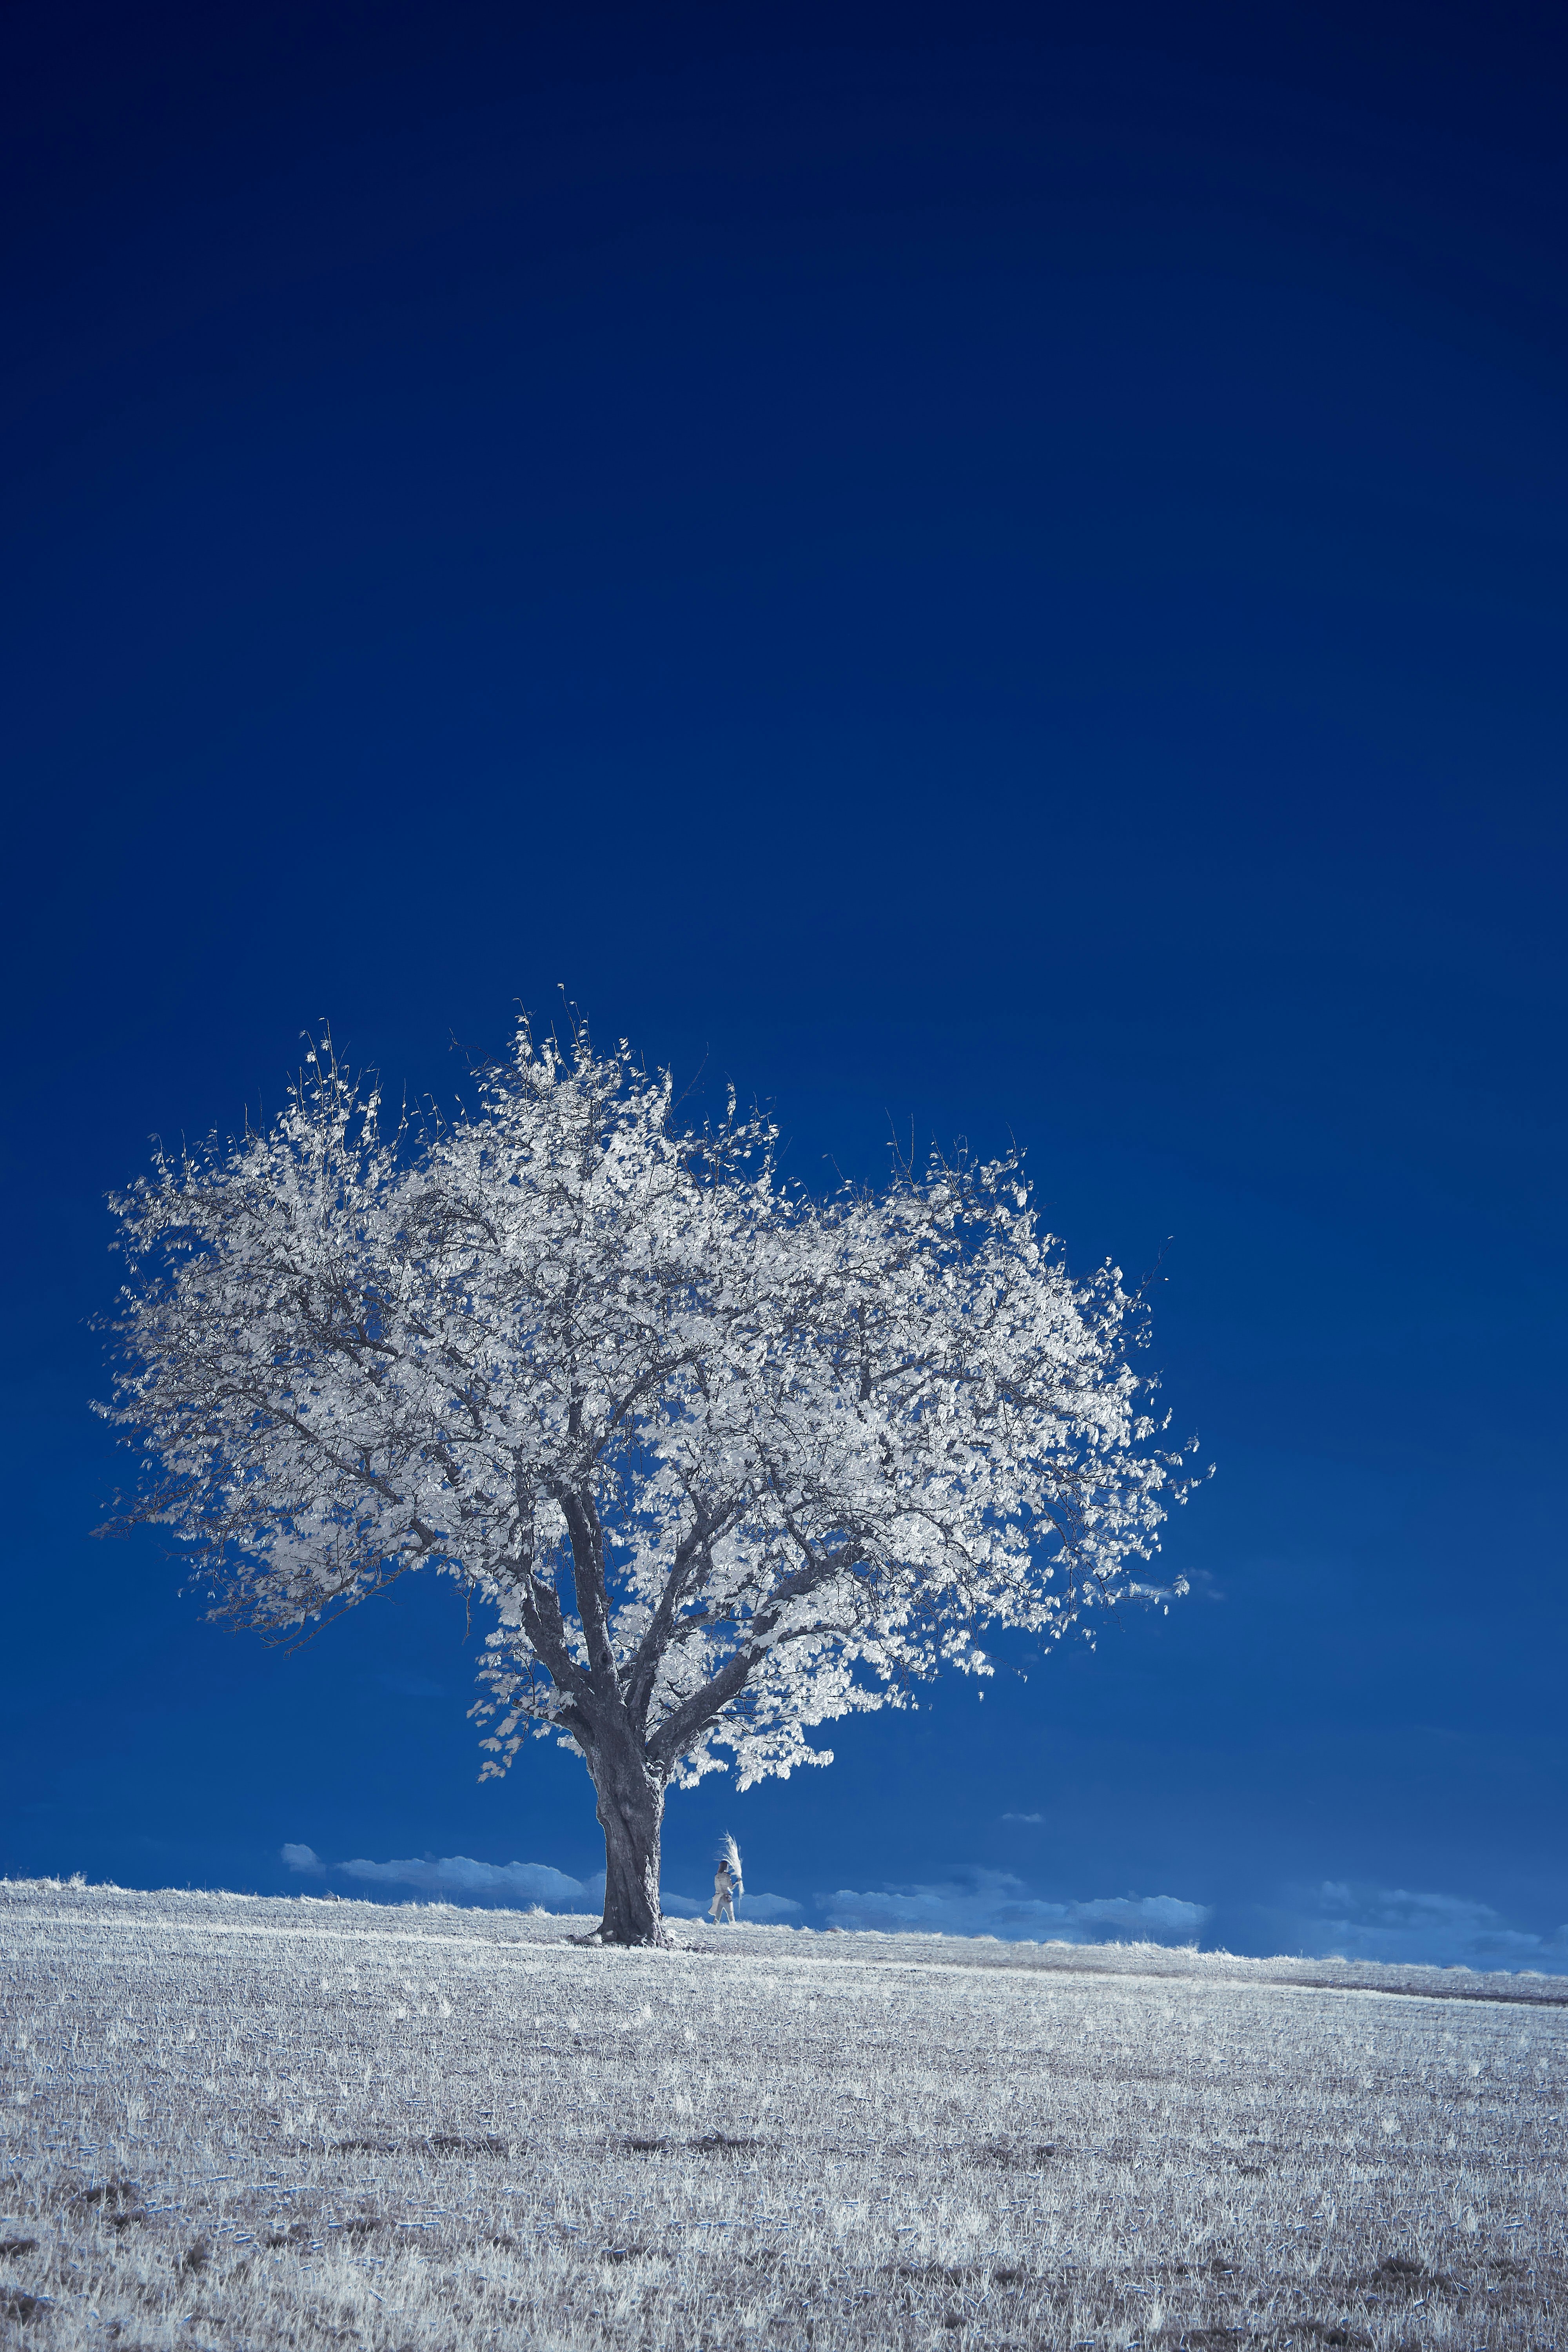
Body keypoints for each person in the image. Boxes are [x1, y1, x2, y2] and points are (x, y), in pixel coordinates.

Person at [709, 1838, 742, 1924]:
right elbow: (731, 1887)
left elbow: (717, 1887)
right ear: (726, 1867)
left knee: (717, 1917)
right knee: (731, 1916)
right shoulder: (728, 1876)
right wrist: (737, 1882)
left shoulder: (716, 1876)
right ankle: (734, 1929)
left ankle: (713, 1929)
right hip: (726, 1898)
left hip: (718, 1897)